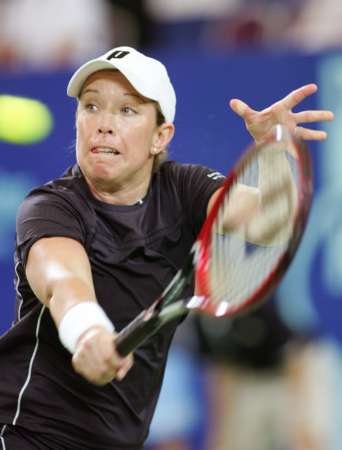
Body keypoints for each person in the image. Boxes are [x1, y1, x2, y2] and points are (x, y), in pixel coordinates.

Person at [0, 46, 333, 450]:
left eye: (127, 110)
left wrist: (275, 149)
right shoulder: (51, 206)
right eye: (91, 106)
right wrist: (87, 332)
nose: (103, 124)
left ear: (161, 136)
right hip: (26, 436)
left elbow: (269, 224)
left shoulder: (184, 190)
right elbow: (62, 281)